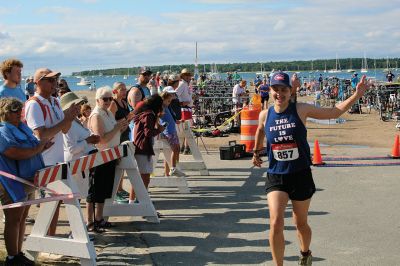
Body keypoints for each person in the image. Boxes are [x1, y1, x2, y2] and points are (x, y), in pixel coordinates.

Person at [252, 71, 370, 266]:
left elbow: (334, 113)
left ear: (291, 91)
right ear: (269, 90)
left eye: (283, 90)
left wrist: (357, 95)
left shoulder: (301, 110)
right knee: (275, 222)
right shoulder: (265, 114)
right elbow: (260, 130)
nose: (279, 94)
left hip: (300, 174)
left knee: (300, 223)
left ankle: (305, 253)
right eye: (275, 89)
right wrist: (256, 152)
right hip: (276, 176)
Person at [25, 68, 79, 236]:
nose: (54, 82)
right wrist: (67, 119)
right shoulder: (34, 104)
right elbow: (41, 134)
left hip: (57, 158)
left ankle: (50, 239)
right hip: (42, 161)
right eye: (50, 80)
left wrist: (69, 118)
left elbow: (64, 130)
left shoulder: (55, 101)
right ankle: (47, 241)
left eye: (55, 79)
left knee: (54, 204)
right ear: (38, 82)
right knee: (47, 204)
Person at [0, 97, 50, 266]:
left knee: (22, 217)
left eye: (19, 109)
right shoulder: (2, 131)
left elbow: (33, 147)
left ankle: (18, 253)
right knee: (13, 218)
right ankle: (12, 257)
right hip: (11, 181)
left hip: (28, 179)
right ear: (5, 113)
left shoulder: (22, 127)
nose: (19, 113)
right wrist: (38, 148)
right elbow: (13, 152)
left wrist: (43, 146)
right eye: (14, 110)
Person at [87, 86, 129, 231]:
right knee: (95, 190)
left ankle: (99, 218)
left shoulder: (107, 113)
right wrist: (117, 128)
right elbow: (101, 139)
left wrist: (121, 127)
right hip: (99, 157)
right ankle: (91, 222)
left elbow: (112, 133)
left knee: (105, 190)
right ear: (97, 100)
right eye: (105, 99)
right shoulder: (97, 114)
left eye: (110, 98)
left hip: (110, 155)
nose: (108, 101)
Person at [130, 94, 164, 202]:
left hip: (140, 147)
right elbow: (148, 132)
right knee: (143, 177)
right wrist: (159, 130)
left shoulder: (145, 113)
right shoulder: (149, 115)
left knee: (141, 176)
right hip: (143, 147)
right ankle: (140, 200)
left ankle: (136, 200)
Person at [109, 82, 134, 203]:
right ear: (115, 91)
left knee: (122, 162)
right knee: (117, 163)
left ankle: (120, 188)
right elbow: (110, 122)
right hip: (117, 135)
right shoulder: (113, 103)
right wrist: (125, 119)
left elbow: (127, 117)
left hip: (124, 133)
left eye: (125, 89)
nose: (125, 92)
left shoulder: (124, 102)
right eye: (122, 90)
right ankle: (115, 192)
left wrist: (130, 117)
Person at [160, 88, 185, 177]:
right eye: (168, 101)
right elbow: (159, 117)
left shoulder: (167, 107)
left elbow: (170, 118)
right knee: (175, 149)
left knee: (176, 149)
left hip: (172, 130)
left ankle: (172, 168)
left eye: (170, 101)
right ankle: (173, 168)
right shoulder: (162, 107)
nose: (169, 102)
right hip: (168, 131)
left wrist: (177, 121)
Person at [127, 67, 152, 140]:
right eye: (144, 74)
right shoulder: (135, 91)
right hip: (137, 126)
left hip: (146, 124)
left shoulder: (146, 89)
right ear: (138, 75)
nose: (147, 76)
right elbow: (137, 111)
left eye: (149, 74)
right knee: (138, 150)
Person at [176, 68, 193, 155]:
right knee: (187, 129)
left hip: (187, 109)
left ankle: (184, 147)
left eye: (189, 75)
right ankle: (186, 148)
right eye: (187, 76)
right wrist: (182, 103)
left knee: (185, 129)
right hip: (184, 109)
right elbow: (175, 95)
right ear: (184, 76)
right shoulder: (182, 84)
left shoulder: (185, 84)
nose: (189, 77)